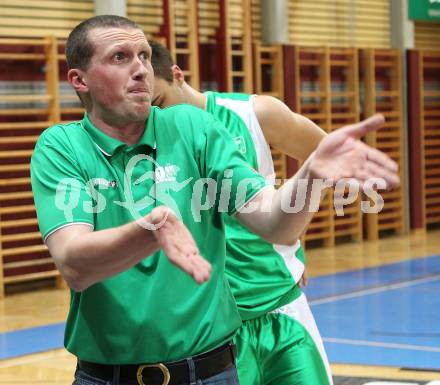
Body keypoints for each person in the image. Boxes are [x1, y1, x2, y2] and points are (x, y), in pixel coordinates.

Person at [30, 15, 399, 385]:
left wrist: (311, 176)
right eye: (120, 57)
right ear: (79, 80)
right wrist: (151, 231)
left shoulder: (194, 127)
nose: (141, 69)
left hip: (211, 372)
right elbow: (75, 265)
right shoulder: (62, 147)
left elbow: (274, 223)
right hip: (107, 376)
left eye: (143, 55)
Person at [150, 41, 333, 385]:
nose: (157, 116)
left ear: (177, 75)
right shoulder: (144, 143)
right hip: (211, 327)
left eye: (159, 101)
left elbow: (325, 157)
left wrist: (293, 238)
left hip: (278, 304)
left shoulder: (254, 114)